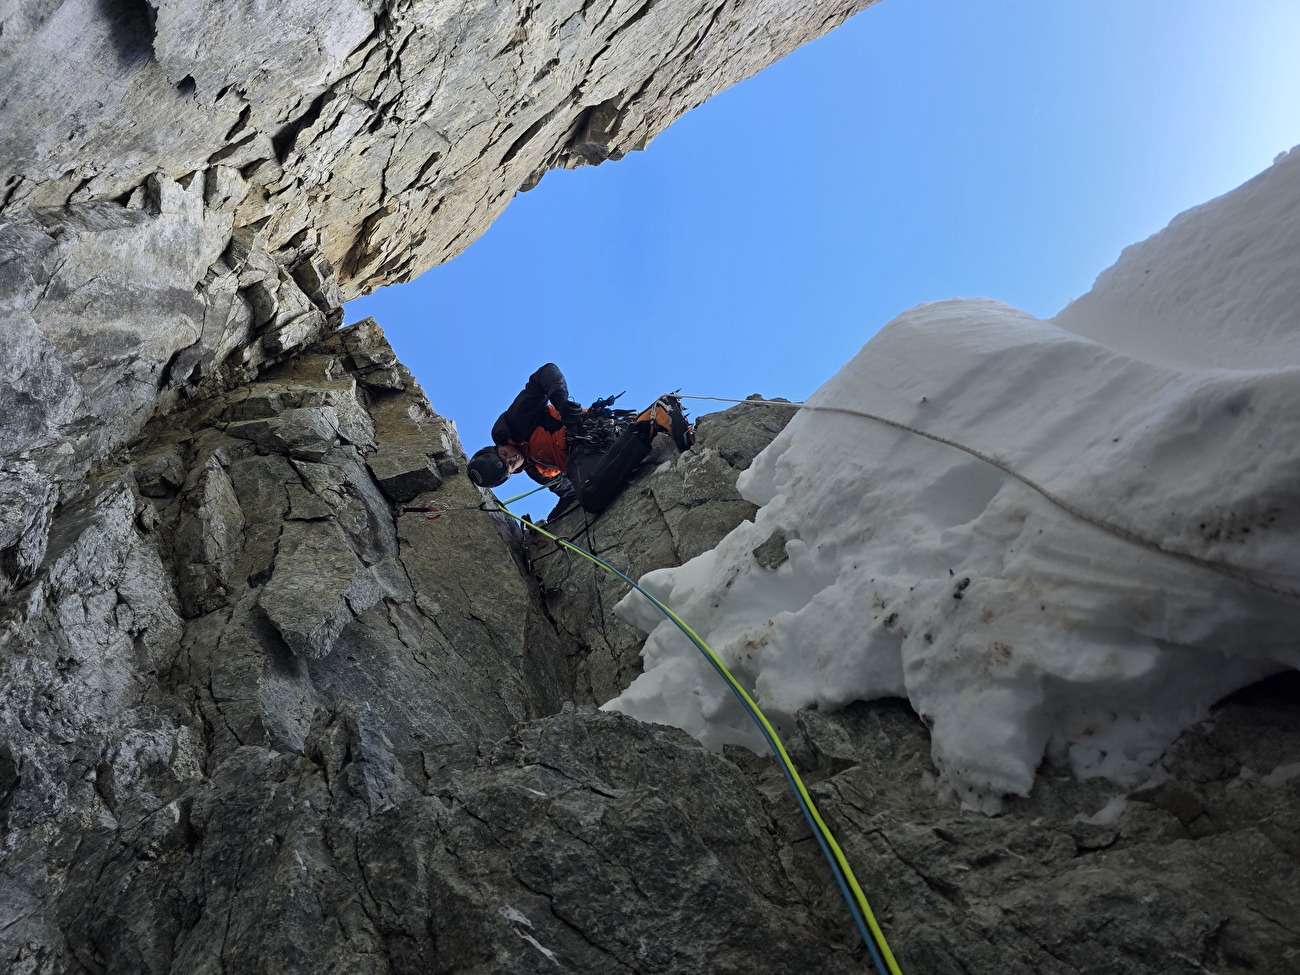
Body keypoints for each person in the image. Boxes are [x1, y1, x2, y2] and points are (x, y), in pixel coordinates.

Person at [466, 363, 693, 519]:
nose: (512, 458)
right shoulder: (536, 471)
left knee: (591, 496)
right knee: (589, 494)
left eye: (505, 454)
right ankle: (649, 422)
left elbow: (546, 372)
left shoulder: (517, 421)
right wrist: (555, 519)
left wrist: (561, 402)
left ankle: (650, 421)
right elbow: (568, 491)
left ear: (498, 446)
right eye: (509, 464)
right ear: (512, 473)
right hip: (598, 449)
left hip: (588, 435)